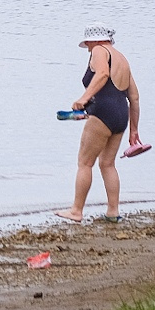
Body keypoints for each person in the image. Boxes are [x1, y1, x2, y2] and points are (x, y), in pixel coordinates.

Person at [57, 25, 142, 222]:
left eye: (87, 42)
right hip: (121, 114)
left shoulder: (99, 51)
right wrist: (134, 130)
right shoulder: (122, 58)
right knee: (108, 164)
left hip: (102, 112)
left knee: (85, 163)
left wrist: (84, 98)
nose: (87, 47)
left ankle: (76, 211)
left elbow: (102, 73)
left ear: (94, 40)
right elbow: (135, 98)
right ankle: (113, 212)